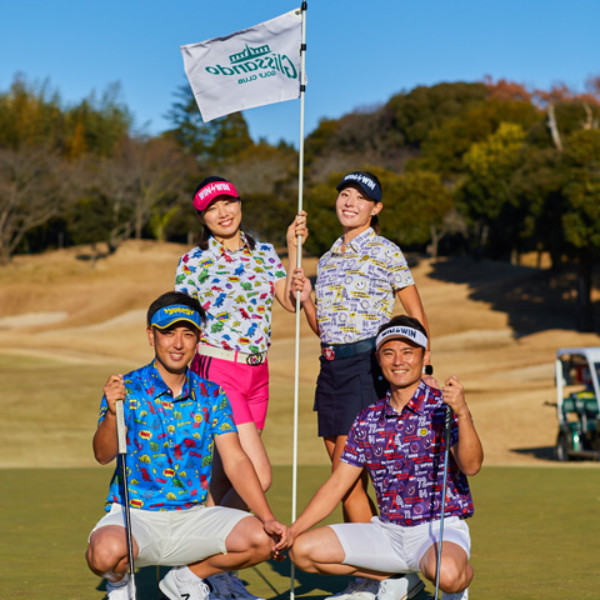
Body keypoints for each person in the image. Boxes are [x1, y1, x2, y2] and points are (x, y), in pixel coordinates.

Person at [85, 291, 289, 600]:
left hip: (193, 516)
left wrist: (267, 516)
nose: (178, 343)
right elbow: (103, 455)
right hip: (136, 515)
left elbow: (235, 460)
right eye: (169, 333)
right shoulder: (126, 388)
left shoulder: (212, 395)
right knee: (104, 554)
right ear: (151, 336)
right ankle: (119, 582)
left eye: (188, 334)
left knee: (264, 540)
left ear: (198, 340)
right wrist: (113, 414)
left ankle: (186, 578)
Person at [290, 171, 430, 599]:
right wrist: (307, 298)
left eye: (360, 198)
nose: (349, 202)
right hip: (331, 368)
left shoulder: (386, 251)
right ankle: (381, 574)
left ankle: (380, 576)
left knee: (347, 476)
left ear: (375, 208)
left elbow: (415, 313)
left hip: (367, 366)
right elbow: (324, 328)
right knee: (347, 477)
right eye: (345, 195)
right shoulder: (328, 257)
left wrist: (423, 368)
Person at [174, 176, 308, 599]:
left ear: (240, 204)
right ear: (202, 218)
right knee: (257, 476)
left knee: (221, 478)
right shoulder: (194, 261)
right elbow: (181, 321)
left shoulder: (264, 252)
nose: (223, 213)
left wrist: (293, 249)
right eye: (211, 209)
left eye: (227, 203)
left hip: (258, 374)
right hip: (216, 370)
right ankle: (196, 565)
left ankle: (209, 571)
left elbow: (289, 301)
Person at [287, 315, 483, 600]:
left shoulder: (444, 406)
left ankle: (458, 584)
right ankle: (399, 580)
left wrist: (463, 413)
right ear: (378, 359)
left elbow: (471, 465)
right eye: (388, 353)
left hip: (437, 530)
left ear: (425, 356)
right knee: (302, 551)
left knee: (449, 576)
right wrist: (293, 531)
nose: (398, 361)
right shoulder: (367, 418)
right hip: (387, 533)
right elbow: (338, 484)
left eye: (407, 352)